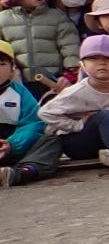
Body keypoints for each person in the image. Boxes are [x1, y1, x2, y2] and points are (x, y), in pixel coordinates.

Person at [38, 34, 109, 176]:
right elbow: (45, 113)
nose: (102, 63)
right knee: (105, 116)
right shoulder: (76, 91)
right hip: (79, 144)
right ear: (83, 65)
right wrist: (77, 125)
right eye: (93, 58)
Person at [0, 0, 79, 96]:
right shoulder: (3, 19)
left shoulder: (57, 17)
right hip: (16, 82)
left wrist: (70, 74)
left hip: (52, 81)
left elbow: (70, 46)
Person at [0, 39, 62, 188]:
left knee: (52, 140)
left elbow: (33, 124)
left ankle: (21, 173)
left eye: (1, 64)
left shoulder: (20, 93)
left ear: (12, 69)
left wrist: (11, 145)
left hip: (13, 150)